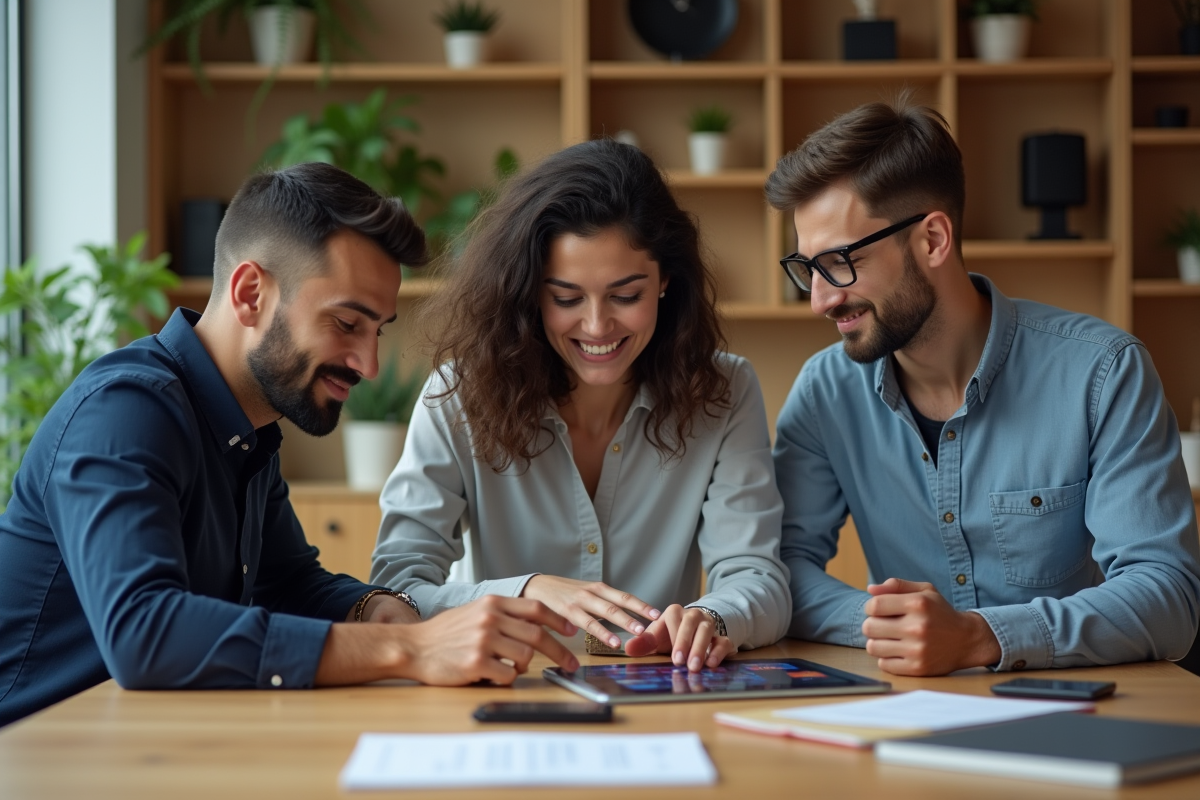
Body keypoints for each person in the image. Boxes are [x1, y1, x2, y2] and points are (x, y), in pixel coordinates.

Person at [0, 163, 580, 728]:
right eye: (347, 324)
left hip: (144, 746)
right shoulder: (124, 411)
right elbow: (144, 632)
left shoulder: (247, 432)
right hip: (38, 760)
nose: (370, 365)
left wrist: (373, 608)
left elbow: (292, 585)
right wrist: (408, 648)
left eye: (377, 331)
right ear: (251, 293)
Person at [766, 98, 1200, 676]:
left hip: (1080, 715)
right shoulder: (826, 392)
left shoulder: (1104, 372)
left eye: (841, 262)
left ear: (932, 240)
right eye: (808, 269)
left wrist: (978, 638)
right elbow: (778, 570)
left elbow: (1168, 596)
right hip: (910, 714)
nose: (820, 299)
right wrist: (894, 629)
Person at [370, 139, 790, 671]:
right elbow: (395, 590)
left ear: (664, 282)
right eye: (566, 298)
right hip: (503, 690)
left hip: (657, 698)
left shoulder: (725, 393)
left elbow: (759, 578)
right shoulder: (456, 398)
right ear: (529, 292)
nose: (596, 327)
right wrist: (526, 592)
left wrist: (712, 618)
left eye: (626, 295)